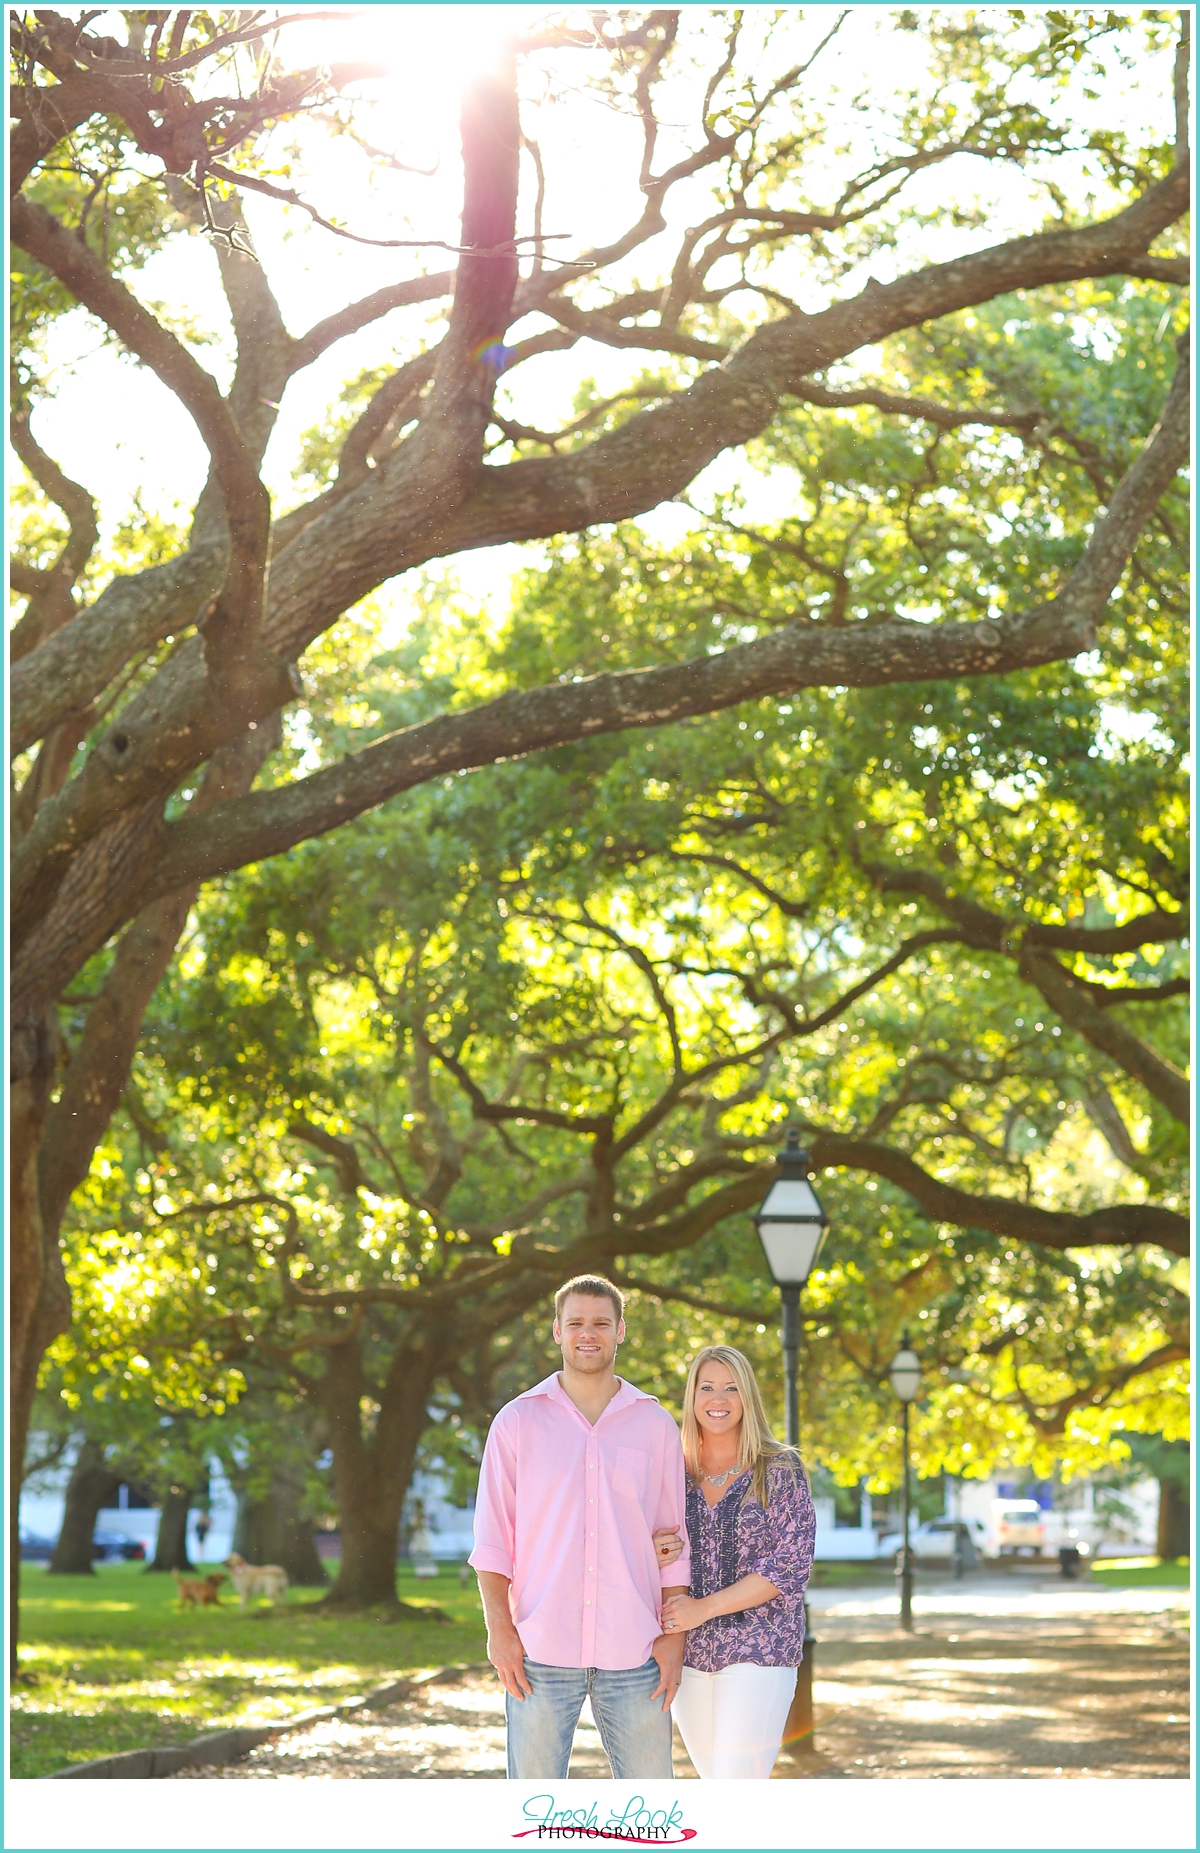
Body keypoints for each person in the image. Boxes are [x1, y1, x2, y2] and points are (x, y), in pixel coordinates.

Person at [469, 1274, 691, 1780]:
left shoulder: (654, 1424)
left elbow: (675, 1541)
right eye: (576, 1323)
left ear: (620, 1331)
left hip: (635, 1650)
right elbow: (492, 1541)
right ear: (556, 1331)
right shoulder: (517, 1421)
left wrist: (673, 1638)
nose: (587, 1334)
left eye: (600, 1323)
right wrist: (499, 1629)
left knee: (652, 1810)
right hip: (539, 1649)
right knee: (534, 1810)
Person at [653, 1345, 816, 1779]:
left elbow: (790, 1565)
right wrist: (651, 1550)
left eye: (731, 1388)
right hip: (691, 1657)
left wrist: (702, 1608)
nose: (718, 1399)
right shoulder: (673, 1471)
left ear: (747, 1397)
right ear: (691, 1397)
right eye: (707, 1387)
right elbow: (636, 1543)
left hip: (760, 1652)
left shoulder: (779, 1468)